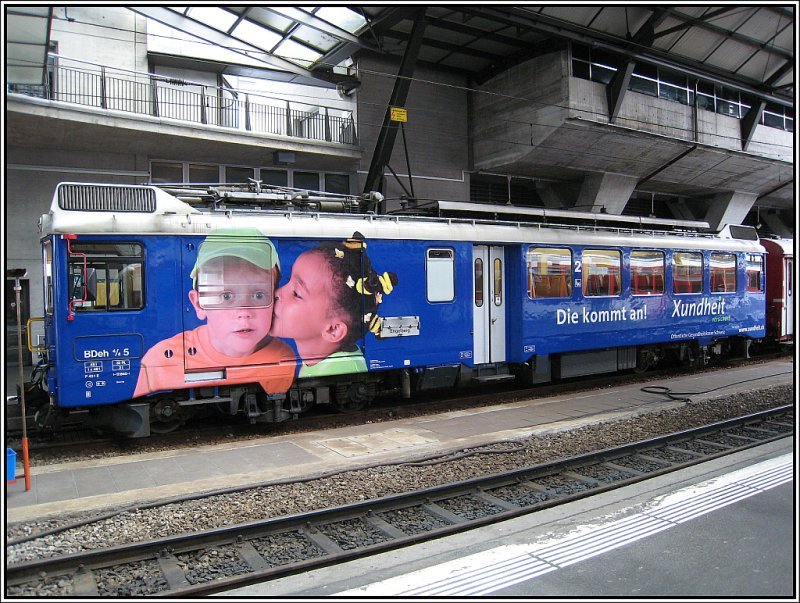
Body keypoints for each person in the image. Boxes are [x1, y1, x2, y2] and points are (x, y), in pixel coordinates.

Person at [134, 227, 296, 397]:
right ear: (198, 304)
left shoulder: (283, 354)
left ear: (275, 302)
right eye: (226, 296)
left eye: (258, 295)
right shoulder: (161, 360)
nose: (243, 311)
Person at [270, 231, 397, 378]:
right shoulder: (321, 363)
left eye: (297, 293)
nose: (277, 293)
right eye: (288, 281)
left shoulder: (344, 369)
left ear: (333, 330)